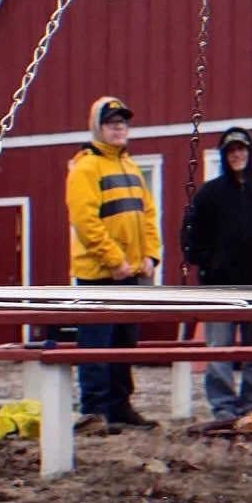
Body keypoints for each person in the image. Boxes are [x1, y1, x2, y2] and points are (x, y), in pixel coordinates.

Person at [180, 126, 252, 426]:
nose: (237, 155)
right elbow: (189, 237)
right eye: (231, 150)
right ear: (224, 155)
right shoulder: (208, 194)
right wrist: (207, 264)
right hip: (219, 288)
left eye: (242, 149)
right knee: (218, 350)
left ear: (250, 152)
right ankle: (223, 409)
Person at [66, 96, 161, 433]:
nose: (119, 128)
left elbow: (148, 216)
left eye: (123, 122)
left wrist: (151, 256)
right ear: (98, 128)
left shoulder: (131, 167)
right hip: (98, 276)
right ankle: (93, 412)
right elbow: (85, 221)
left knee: (124, 343)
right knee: (96, 345)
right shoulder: (86, 167)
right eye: (111, 123)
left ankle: (120, 407)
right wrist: (114, 259)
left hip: (131, 274)